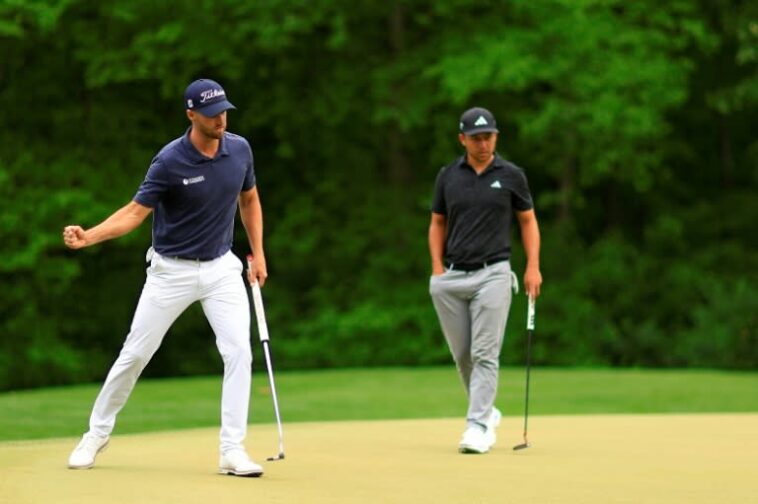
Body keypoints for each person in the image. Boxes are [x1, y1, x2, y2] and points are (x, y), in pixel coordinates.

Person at [62, 79, 267, 477]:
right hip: (170, 271)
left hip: (221, 268)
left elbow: (250, 199)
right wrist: (90, 237)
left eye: (224, 111)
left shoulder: (239, 149)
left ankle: (232, 449)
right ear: (191, 114)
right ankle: (96, 433)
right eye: (211, 114)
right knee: (136, 354)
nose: (220, 119)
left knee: (239, 351)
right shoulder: (170, 161)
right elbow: (135, 213)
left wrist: (258, 253)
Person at [428, 106, 542, 454]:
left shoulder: (511, 175)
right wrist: (436, 268)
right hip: (452, 276)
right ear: (463, 139)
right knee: (463, 354)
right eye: (476, 138)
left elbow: (527, 221)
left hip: (494, 273)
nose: (483, 143)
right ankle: (487, 411)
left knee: (485, 353)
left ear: (496, 137)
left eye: (488, 136)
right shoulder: (448, 176)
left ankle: (477, 425)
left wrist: (533, 265)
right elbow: (437, 223)